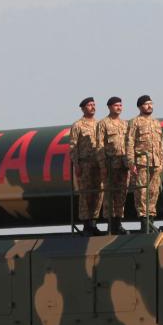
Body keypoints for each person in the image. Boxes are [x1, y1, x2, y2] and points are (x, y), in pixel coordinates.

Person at [126, 94, 163, 233]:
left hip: (156, 163)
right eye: (146, 104)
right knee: (141, 193)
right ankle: (144, 224)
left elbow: (160, 144)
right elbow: (129, 143)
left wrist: (161, 163)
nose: (150, 106)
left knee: (153, 193)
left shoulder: (156, 123)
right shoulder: (134, 122)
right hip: (141, 163)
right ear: (140, 106)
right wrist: (131, 162)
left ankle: (151, 221)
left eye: (151, 103)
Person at [68, 97, 103, 235]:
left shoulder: (100, 124)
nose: (93, 107)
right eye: (89, 105)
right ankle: (86, 225)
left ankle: (94, 223)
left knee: (98, 194)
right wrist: (76, 164)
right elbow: (73, 146)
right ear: (83, 108)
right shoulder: (78, 125)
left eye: (94, 104)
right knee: (86, 194)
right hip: (85, 164)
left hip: (98, 164)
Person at [97, 96, 130, 234]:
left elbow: (129, 143)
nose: (119, 108)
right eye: (116, 105)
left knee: (121, 195)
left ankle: (118, 223)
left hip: (123, 165)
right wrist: (103, 166)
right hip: (110, 165)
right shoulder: (103, 123)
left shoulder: (125, 124)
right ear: (110, 107)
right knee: (110, 195)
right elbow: (100, 146)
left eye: (121, 105)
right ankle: (111, 224)